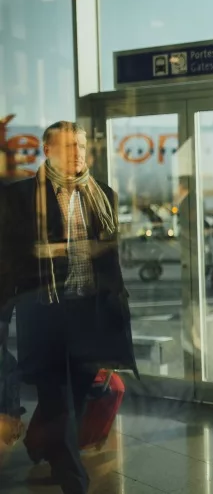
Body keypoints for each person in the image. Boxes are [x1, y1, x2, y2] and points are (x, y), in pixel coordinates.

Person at [0, 121, 137, 494]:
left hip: (88, 313)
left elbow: (111, 259)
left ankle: (39, 442)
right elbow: (11, 258)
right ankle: (73, 477)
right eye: (68, 146)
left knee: (76, 394)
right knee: (56, 394)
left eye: (81, 145)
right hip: (43, 311)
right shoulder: (21, 197)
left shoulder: (102, 194)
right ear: (48, 151)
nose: (77, 152)